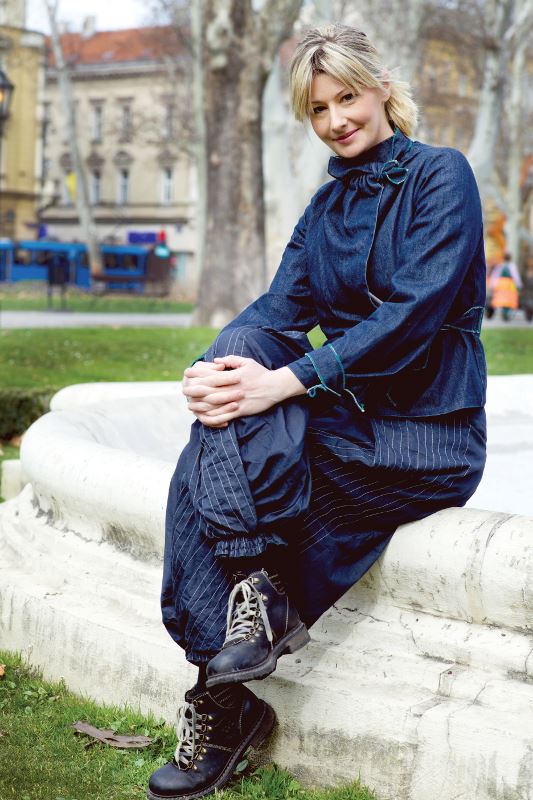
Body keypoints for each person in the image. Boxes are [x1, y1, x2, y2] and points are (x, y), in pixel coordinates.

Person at [147, 24, 487, 800]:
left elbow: (413, 314)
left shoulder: (441, 175)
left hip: (425, 436)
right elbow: (278, 311)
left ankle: (224, 702)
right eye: (317, 109)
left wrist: (287, 381)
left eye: (346, 98)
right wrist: (214, 371)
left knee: (217, 460)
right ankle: (253, 600)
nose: (335, 120)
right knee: (225, 398)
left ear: (380, 89)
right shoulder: (325, 207)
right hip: (347, 423)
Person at [489, 252, 522, 321]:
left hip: (501, 285)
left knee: (502, 299)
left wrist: (493, 284)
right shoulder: (512, 266)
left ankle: (504, 313)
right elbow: (515, 276)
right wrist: (519, 285)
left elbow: (495, 275)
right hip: (509, 285)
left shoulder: (500, 265)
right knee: (508, 300)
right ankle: (506, 313)